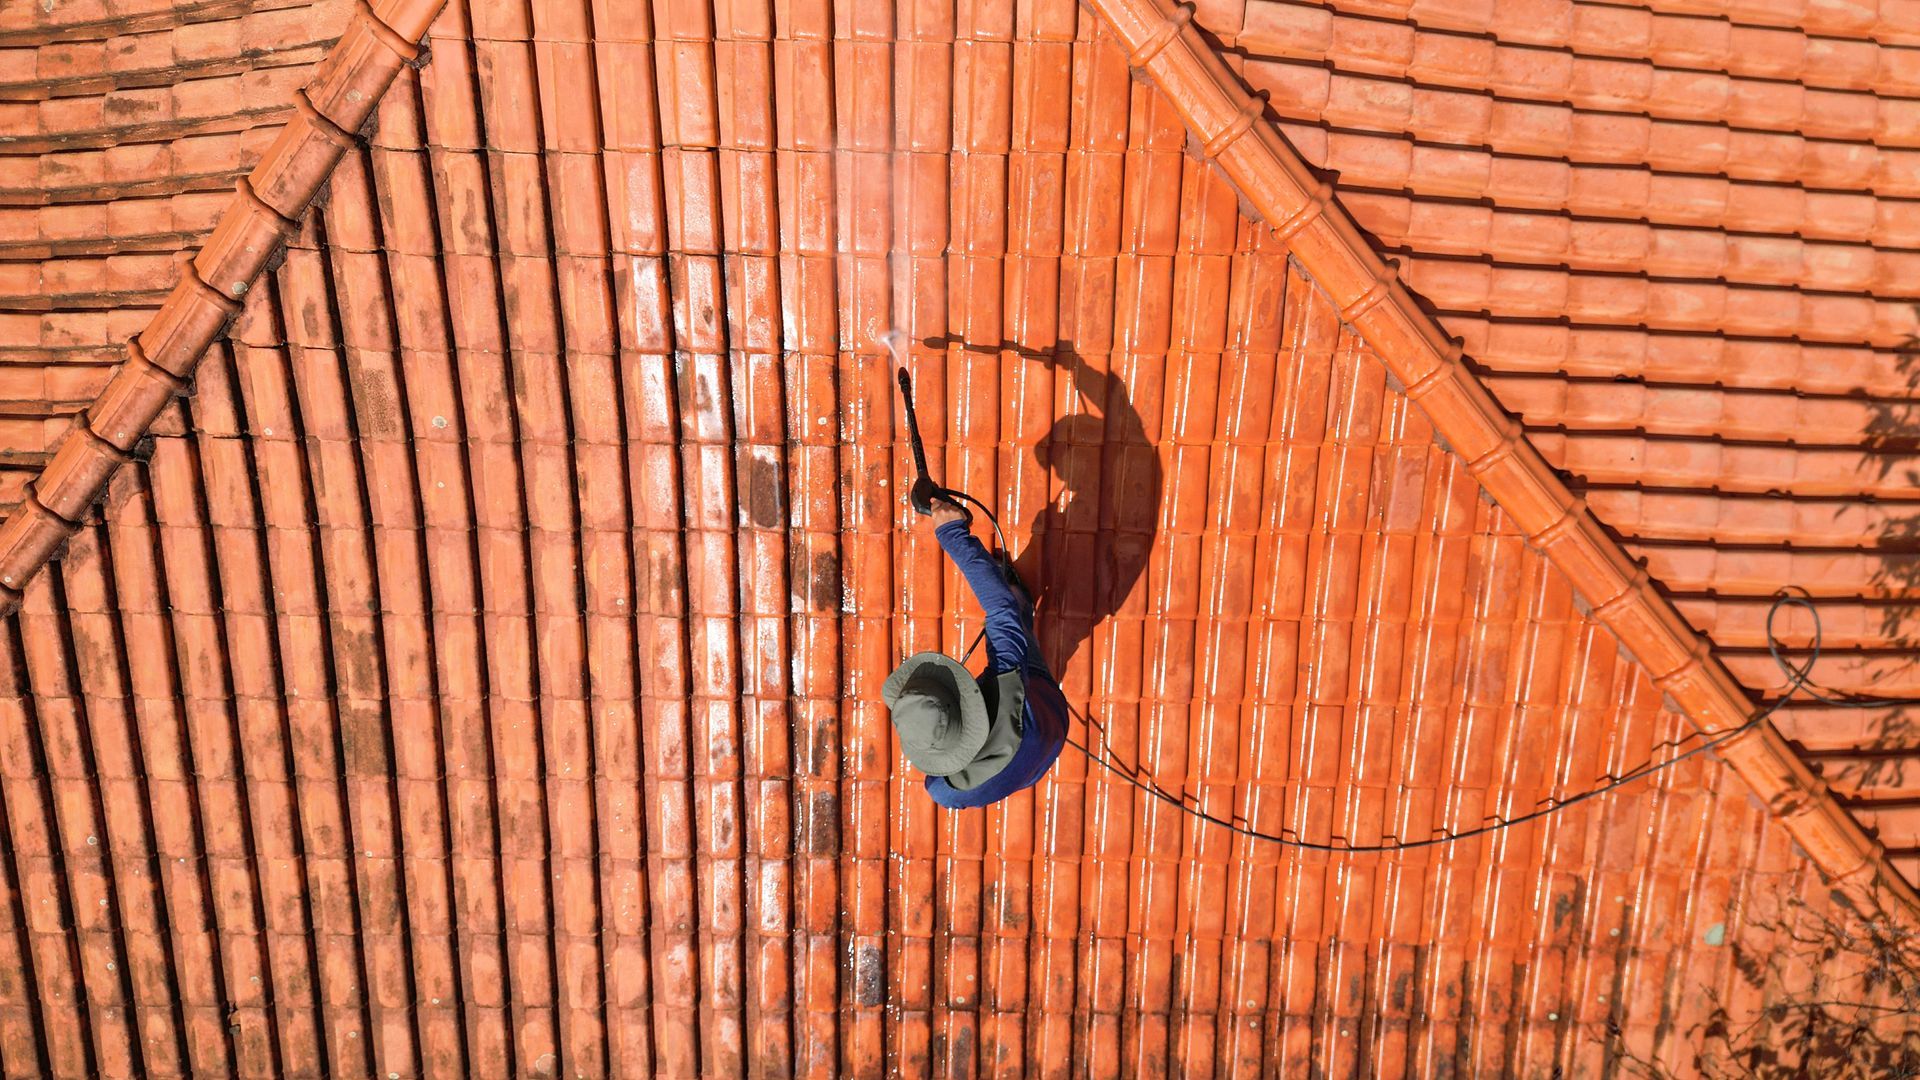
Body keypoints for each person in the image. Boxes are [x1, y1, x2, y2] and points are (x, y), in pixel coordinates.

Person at [883, 497, 1070, 808]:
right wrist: (951, 533)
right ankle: (1023, 595)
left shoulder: (942, 792)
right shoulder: (1009, 683)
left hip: (1039, 757)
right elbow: (1001, 608)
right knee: (1013, 609)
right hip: (1046, 704)